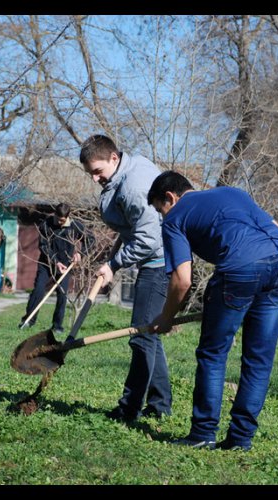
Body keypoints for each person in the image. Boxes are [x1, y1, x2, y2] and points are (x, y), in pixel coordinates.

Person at [147, 171, 278, 451]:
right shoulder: (233, 192)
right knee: (258, 360)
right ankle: (240, 439)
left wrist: (166, 318)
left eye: (160, 211)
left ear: (170, 197)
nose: (162, 218)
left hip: (240, 268)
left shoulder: (176, 218)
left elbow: (182, 279)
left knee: (213, 353)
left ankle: (202, 432)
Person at [80, 134, 171, 422]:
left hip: (158, 262)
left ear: (114, 158)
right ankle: (159, 406)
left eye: (98, 171)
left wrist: (115, 264)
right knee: (149, 334)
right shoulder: (128, 170)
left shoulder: (133, 186)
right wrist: (112, 260)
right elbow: (131, 229)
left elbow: (147, 238)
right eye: (90, 173)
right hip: (158, 260)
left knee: (140, 336)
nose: (95, 179)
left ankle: (129, 408)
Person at [20, 203, 93, 334]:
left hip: (66, 266)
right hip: (46, 264)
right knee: (38, 291)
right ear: (54, 214)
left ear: (68, 216)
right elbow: (43, 246)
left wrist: (80, 254)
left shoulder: (75, 226)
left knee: (62, 295)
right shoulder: (46, 224)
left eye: (62, 220)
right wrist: (55, 261)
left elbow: (91, 239)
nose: (59, 222)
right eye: (57, 218)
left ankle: (57, 326)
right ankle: (28, 320)